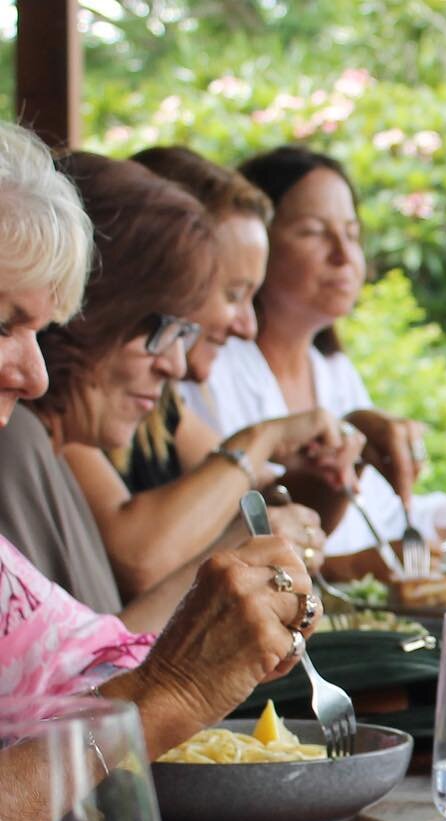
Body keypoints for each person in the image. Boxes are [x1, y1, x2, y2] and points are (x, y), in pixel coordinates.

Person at [0, 125, 316, 767]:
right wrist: (180, 680)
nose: (183, 364)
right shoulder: (20, 443)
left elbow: (86, 672)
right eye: (168, 327)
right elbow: (67, 721)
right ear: (100, 310)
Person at [56, 145, 343, 600]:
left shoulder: (160, 405)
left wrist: (341, 464)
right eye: (233, 293)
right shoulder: (69, 399)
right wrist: (260, 438)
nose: (248, 326)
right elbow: (142, 560)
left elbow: (269, 504)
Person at [185, 145, 446, 558]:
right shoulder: (207, 370)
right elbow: (240, 531)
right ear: (255, 242)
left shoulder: (334, 371)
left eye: (352, 233)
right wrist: (356, 565)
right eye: (313, 232)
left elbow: (385, 516)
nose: (344, 256)